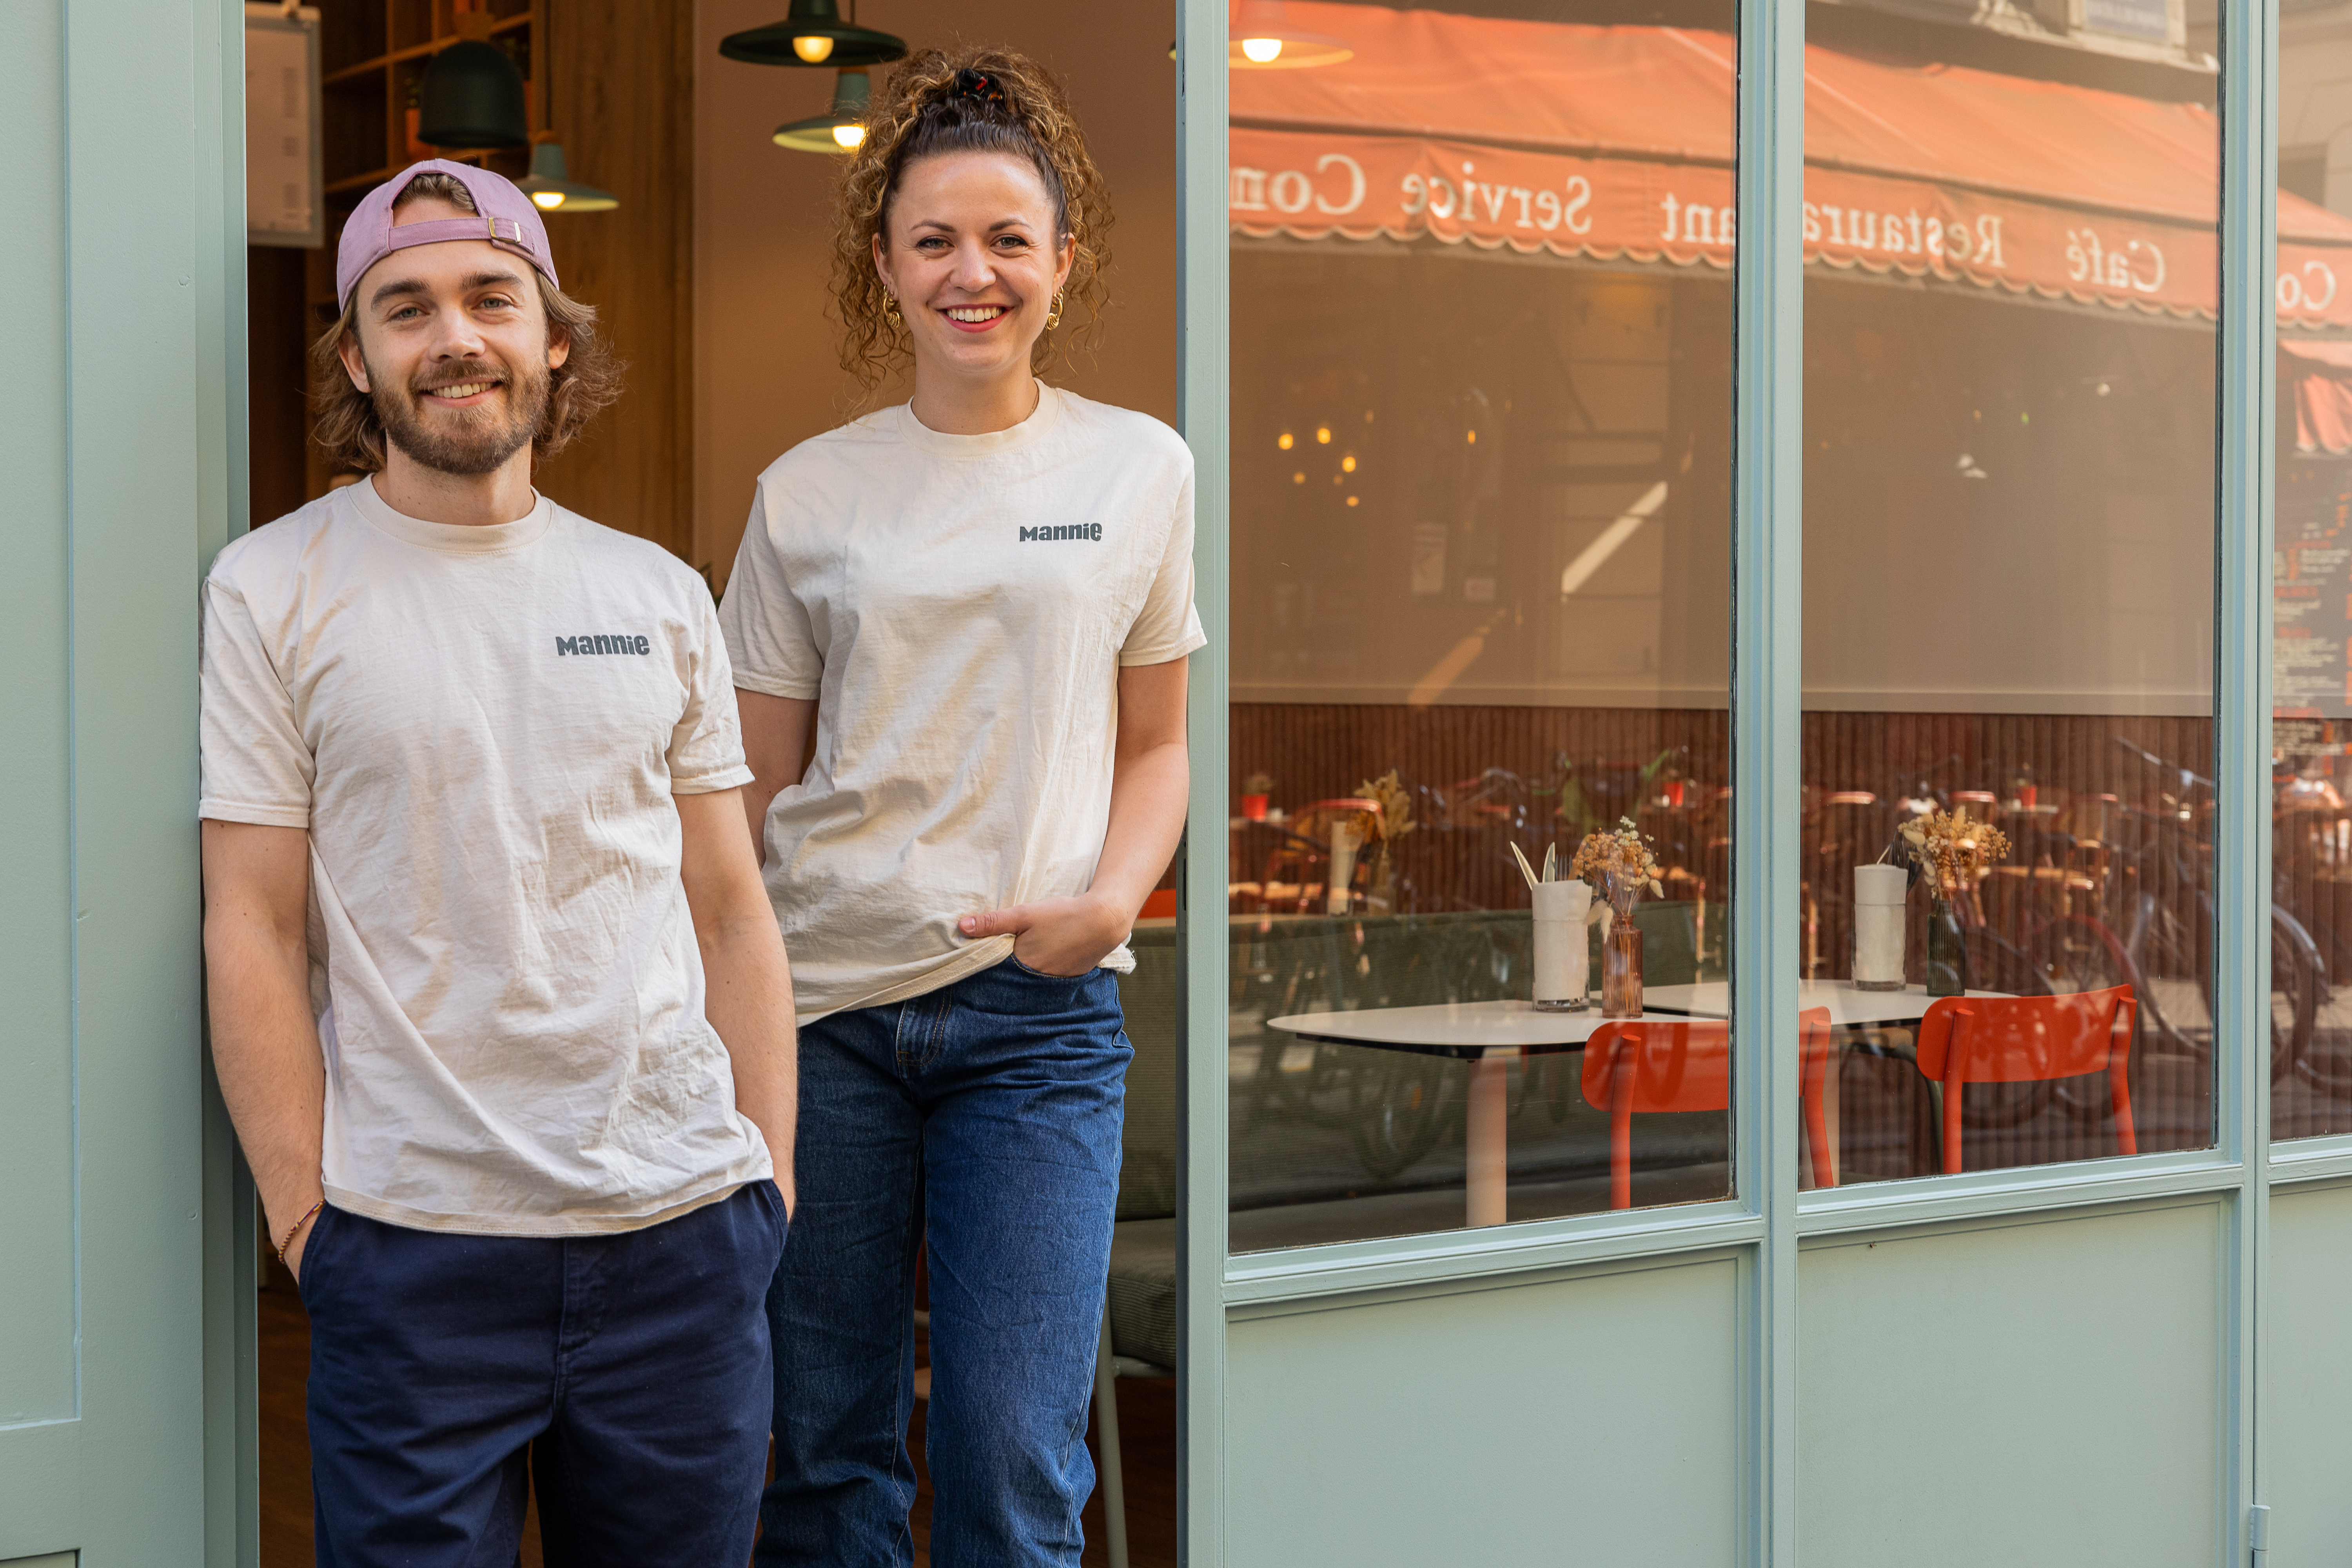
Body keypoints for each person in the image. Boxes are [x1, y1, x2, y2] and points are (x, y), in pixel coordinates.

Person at [200, 160, 797, 1566]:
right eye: (405, 308)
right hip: (412, 1252)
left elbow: (730, 908)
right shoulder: (272, 586)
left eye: (491, 298)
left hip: (680, 1240)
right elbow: (251, 921)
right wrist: (305, 1219)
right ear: (359, 359)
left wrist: (767, 1188)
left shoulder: (657, 593)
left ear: (553, 340)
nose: (454, 337)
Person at [721, 49, 1201, 1568]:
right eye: (933, 240)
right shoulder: (808, 491)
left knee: (1013, 1453)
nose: (970, 272)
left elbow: (1159, 746)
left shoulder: (1139, 468)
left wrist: (1112, 904)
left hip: (1038, 1019)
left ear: (1065, 260)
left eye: (1006, 239)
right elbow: (751, 787)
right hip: (822, 1017)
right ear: (886, 264)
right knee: (824, 1448)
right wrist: (726, 999)